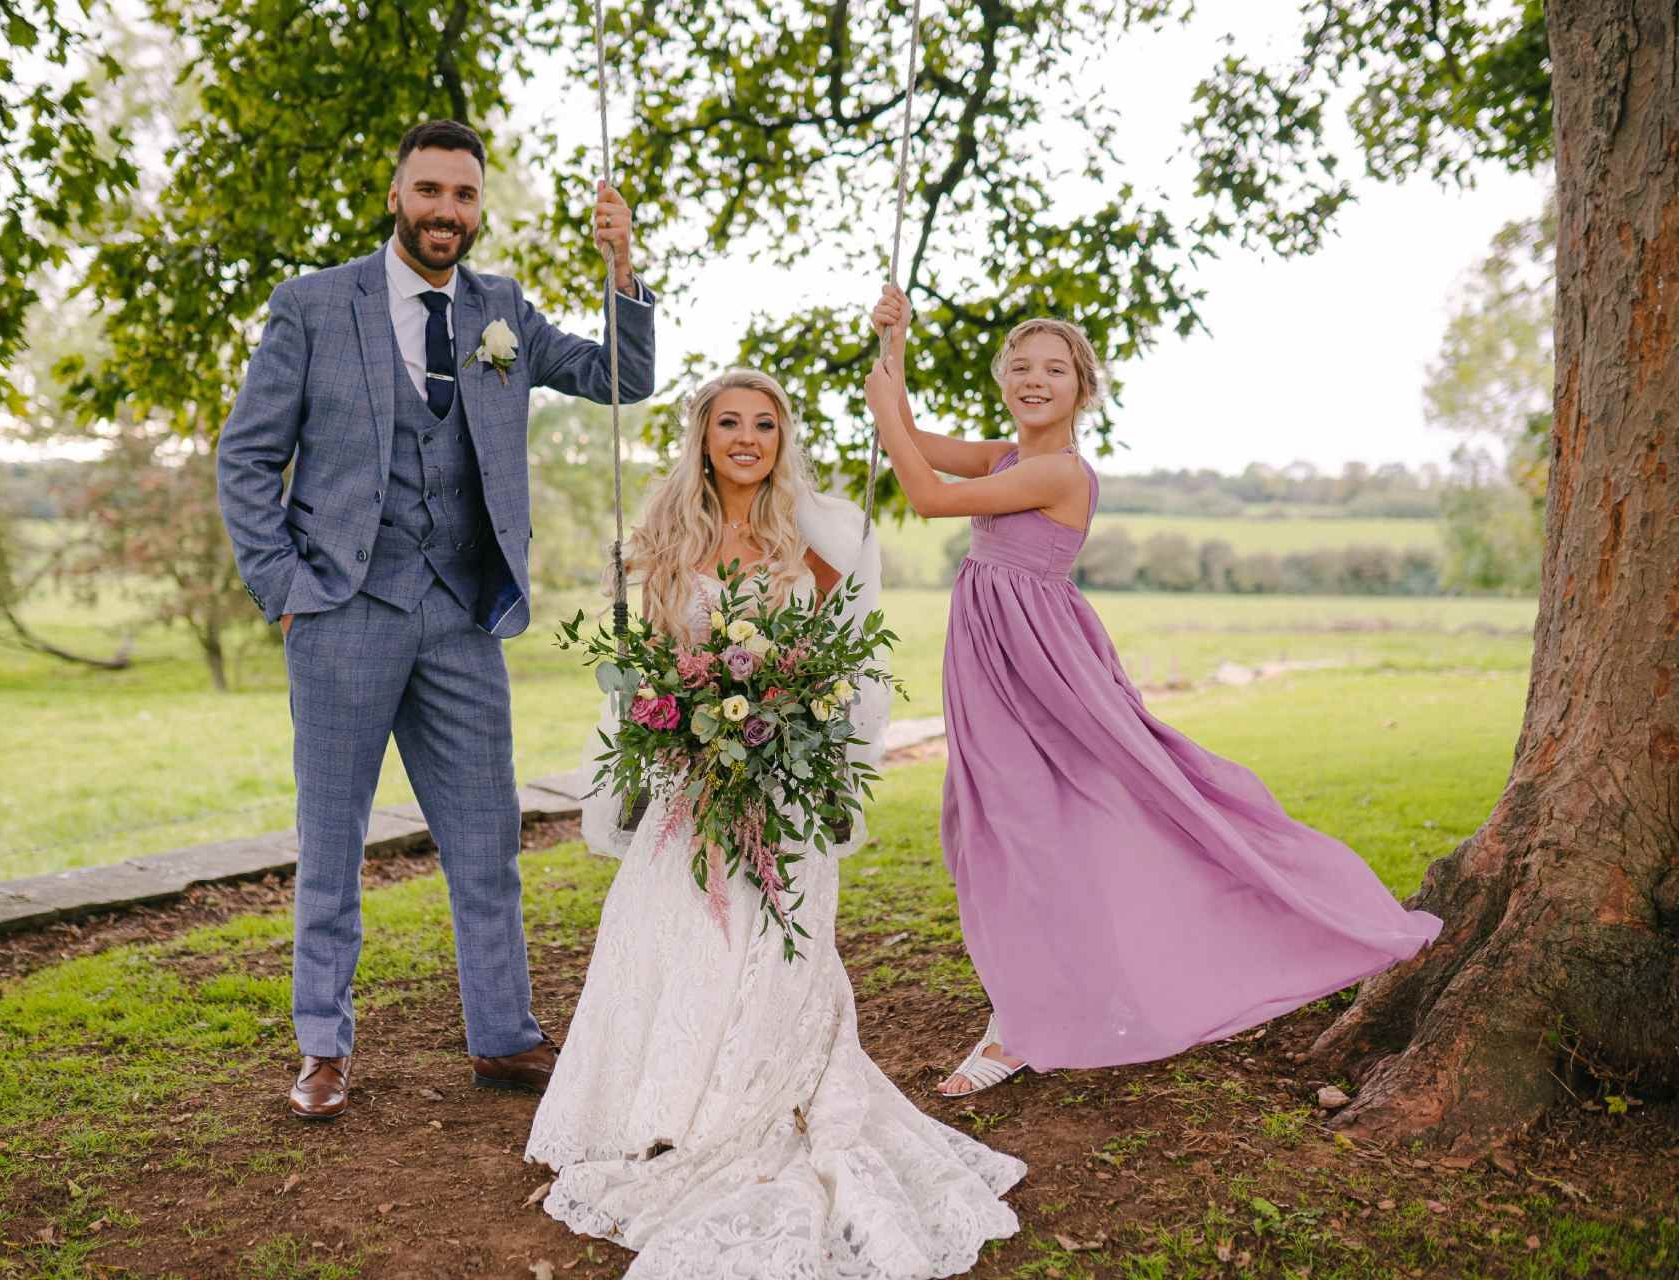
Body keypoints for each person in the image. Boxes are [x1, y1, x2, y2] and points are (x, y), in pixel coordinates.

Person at [861, 283, 1442, 1097]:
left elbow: (926, 495)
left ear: (1081, 389)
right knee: (990, 825)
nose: (1034, 380)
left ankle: (1022, 1025)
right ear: (1003, 380)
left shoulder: (1059, 472)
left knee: (1053, 824)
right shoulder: (1005, 457)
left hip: (1045, 668)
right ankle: (1032, 1002)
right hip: (992, 663)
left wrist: (885, 410)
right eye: (1020, 367)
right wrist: (895, 344)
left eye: (1054, 369)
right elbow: (915, 439)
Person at [525, 369, 1026, 1278]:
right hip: (693, 786)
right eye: (730, 423)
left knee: (772, 948)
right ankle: (666, 1108)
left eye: (764, 424)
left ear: (782, 440)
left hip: (782, 791)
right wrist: (680, 718)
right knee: (680, 939)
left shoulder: (812, 542)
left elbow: (836, 666)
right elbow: (652, 668)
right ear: (704, 437)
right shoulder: (665, 544)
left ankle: (756, 1102)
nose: (748, 439)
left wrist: (794, 725)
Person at [215, 119, 655, 1119]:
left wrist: (622, 267)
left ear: (478, 206)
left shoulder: (502, 309)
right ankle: (323, 1046)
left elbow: (620, 379)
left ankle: (503, 1036)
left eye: (463, 194)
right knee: (332, 842)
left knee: (486, 840)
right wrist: (286, 589)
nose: (446, 210)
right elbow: (246, 458)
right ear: (396, 195)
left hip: (462, 614)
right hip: (342, 612)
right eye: (429, 190)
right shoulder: (313, 306)